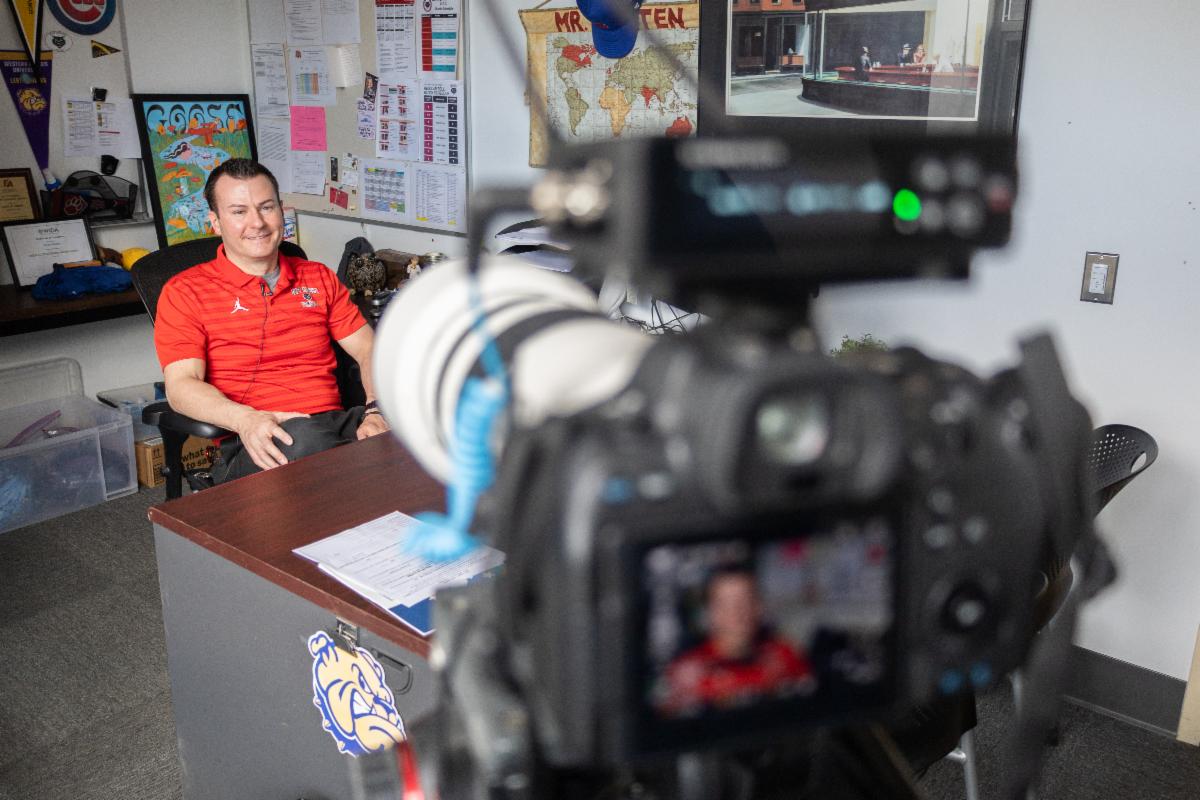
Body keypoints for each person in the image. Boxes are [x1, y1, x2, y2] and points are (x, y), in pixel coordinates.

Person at [154, 159, 390, 484]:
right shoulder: (185, 292)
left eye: (266, 207)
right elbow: (181, 387)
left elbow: (369, 349)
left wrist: (377, 411)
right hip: (255, 438)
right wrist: (246, 420)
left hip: (331, 424)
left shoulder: (317, 277)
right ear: (215, 222)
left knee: (431, 423)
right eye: (239, 212)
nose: (257, 223)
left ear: (281, 211)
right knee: (314, 446)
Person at [660, 566, 814, 715]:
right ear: (712, 612)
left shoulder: (786, 657)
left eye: (744, 601)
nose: (736, 612)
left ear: (758, 606)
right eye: (726, 604)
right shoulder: (687, 674)